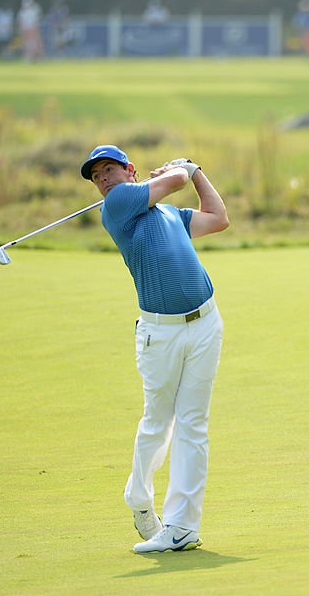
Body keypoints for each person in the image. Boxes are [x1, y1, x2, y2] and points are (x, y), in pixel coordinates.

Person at [80, 145, 230, 553]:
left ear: (129, 169)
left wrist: (196, 170)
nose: (103, 179)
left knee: (193, 426)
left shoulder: (169, 215)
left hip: (205, 323)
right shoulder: (117, 205)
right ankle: (140, 498)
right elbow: (174, 181)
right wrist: (180, 170)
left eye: (109, 169)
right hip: (159, 335)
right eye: (96, 177)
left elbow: (218, 218)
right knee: (158, 423)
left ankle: (182, 527)